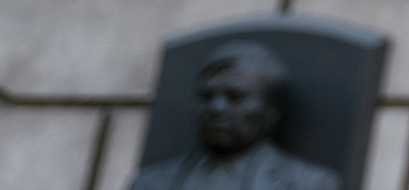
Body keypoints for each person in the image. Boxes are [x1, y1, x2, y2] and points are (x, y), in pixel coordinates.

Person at [130, 41, 338, 190]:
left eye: (236, 97)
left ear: (271, 111)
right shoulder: (150, 183)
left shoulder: (310, 184)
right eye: (207, 96)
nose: (217, 108)